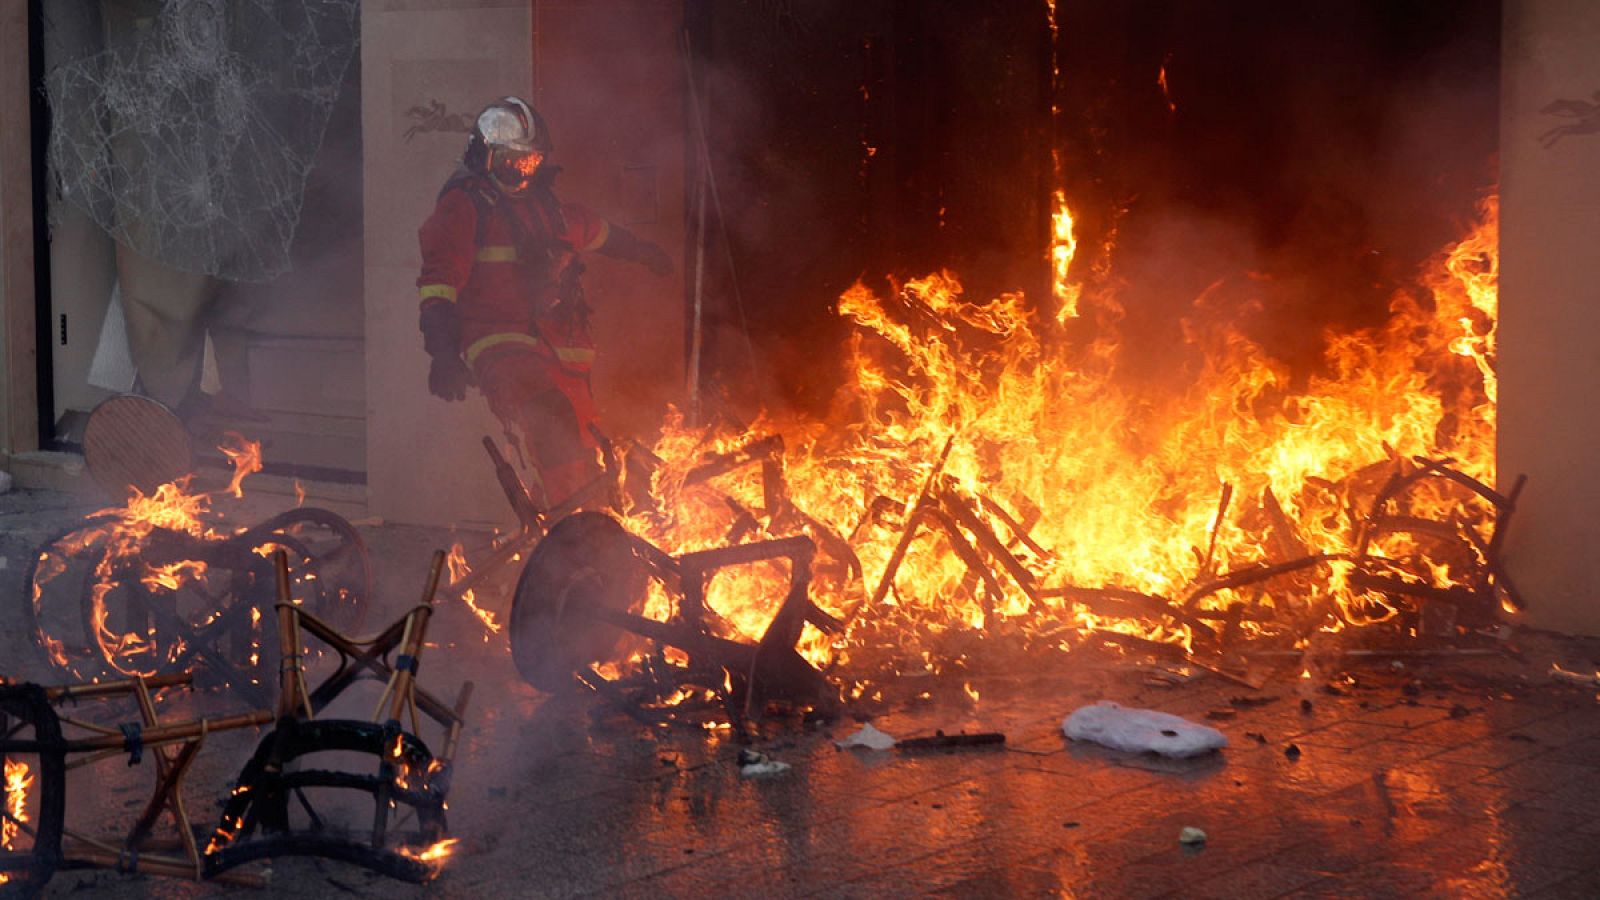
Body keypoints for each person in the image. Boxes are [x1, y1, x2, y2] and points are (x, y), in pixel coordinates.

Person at [415, 97, 672, 507]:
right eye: (511, 161)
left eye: (530, 162)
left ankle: (585, 529)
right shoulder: (464, 208)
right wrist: (443, 352)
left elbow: (597, 231)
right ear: (485, 156)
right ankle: (575, 530)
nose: (520, 171)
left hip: (556, 351)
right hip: (499, 343)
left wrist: (644, 251)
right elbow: (438, 284)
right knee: (551, 421)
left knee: (583, 447)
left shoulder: (546, 210)